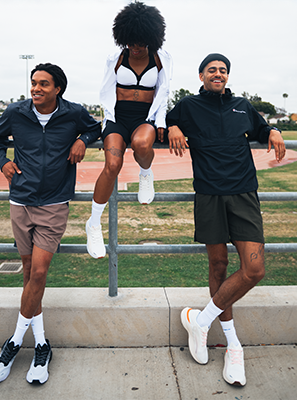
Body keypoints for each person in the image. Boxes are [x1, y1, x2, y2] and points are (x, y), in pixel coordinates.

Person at [165, 53, 286, 387]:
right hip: (208, 194)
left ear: (227, 76)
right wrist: (173, 126)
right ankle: (233, 346)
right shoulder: (187, 106)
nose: (218, 74)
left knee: (254, 269)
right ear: (201, 75)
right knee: (218, 267)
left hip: (243, 193)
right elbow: (162, 121)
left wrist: (273, 130)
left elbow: (262, 127)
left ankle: (200, 321)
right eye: (212, 70)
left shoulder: (243, 106)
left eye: (223, 70)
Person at [0, 63, 102, 385]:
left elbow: (97, 129)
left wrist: (84, 140)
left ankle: (12, 342)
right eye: (33, 83)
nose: (36, 89)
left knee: (38, 272)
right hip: (20, 200)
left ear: (58, 89)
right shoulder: (16, 112)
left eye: (43, 84)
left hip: (53, 203)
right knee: (28, 273)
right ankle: (41, 345)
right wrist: (4, 161)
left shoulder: (73, 113)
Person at [85, 1, 172, 259]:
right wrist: (108, 123)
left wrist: (161, 122)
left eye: (141, 43)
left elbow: (164, 93)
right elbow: (104, 92)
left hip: (144, 117)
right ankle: (93, 223)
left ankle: (146, 174)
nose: (136, 48)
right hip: (117, 118)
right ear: (123, 38)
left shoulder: (161, 58)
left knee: (143, 146)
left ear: (152, 39)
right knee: (112, 165)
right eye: (131, 43)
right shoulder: (116, 59)